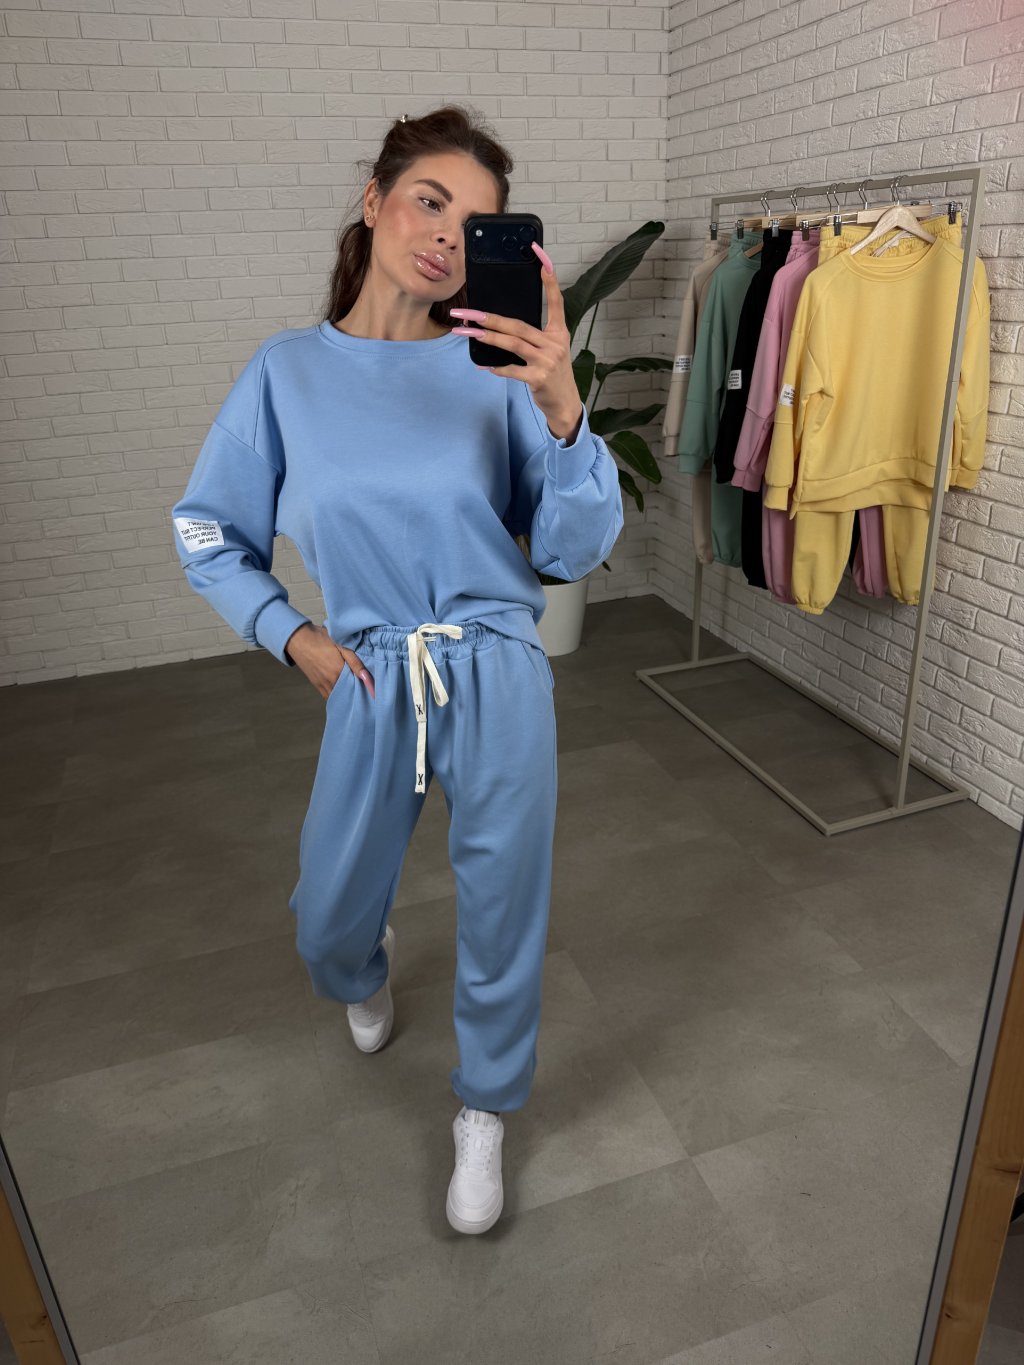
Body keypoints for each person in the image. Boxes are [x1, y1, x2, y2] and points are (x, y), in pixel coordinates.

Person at [170, 105, 624, 1235]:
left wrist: (563, 408)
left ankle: (486, 1107)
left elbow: (572, 549)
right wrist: (292, 635)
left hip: (498, 666)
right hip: (370, 673)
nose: (445, 236)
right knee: (327, 916)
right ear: (374, 200)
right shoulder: (285, 374)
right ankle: (359, 970)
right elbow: (205, 531)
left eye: (475, 224)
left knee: (503, 908)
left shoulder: (498, 374)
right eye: (430, 201)